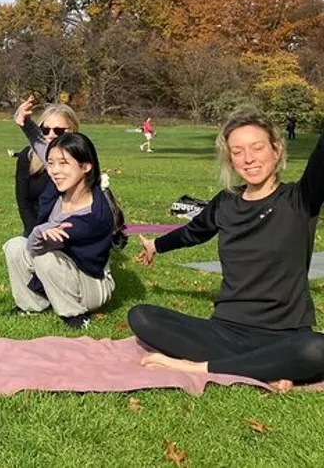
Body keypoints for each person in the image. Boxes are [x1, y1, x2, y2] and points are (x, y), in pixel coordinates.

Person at [129, 109, 324, 390]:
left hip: (286, 333)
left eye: (257, 148)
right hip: (226, 331)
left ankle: (201, 367)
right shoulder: (226, 203)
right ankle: (267, 365)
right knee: (142, 316)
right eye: (238, 151)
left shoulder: (300, 199)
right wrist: (155, 245)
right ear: (230, 160)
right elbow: (192, 233)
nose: (249, 158)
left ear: (277, 150)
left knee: (317, 349)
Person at [2, 96, 126, 330]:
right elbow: (45, 148)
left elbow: (40, 247)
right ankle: (31, 306)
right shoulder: (60, 187)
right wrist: (25, 124)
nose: (54, 170)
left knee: (43, 255)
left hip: (91, 286)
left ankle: (75, 314)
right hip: (62, 266)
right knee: (14, 246)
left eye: (63, 164)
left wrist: (39, 232)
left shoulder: (94, 214)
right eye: (51, 164)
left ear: (85, 167)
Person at [15, 103, 81, 237]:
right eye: (45, 130)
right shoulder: (26, 157)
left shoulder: (80, 160)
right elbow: (24, 204)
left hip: (69, 230)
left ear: (73, 131)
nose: (51, 135)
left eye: (59, 131)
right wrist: (37, 233)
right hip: (36, 229)